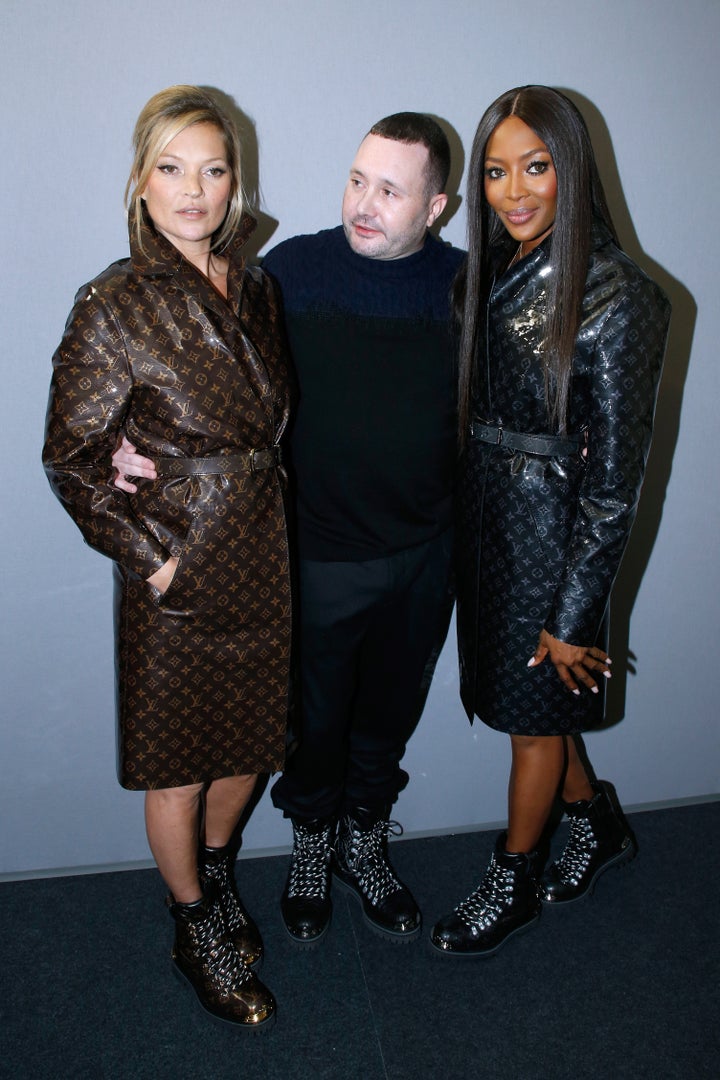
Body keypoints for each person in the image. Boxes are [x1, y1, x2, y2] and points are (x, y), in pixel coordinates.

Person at [113, 113, 465, 945]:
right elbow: (209, 374)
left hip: (425, 554)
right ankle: (312, 846)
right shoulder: (288, 273)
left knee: (387, 718)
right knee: (310, 722)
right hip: (310, 556)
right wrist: (133, 439)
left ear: (437, 205)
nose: (363, 203)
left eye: (390, 190)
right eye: (355, 180)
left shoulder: (466, 284)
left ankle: (364, 844)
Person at [43, 85, 293, 1028]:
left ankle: (218, 875)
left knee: (250, 751)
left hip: (264, 554)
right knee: (178, 767)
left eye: (214, 168)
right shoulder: (113, 303)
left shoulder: (257, 284)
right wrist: (155, 559)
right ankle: (194, 924)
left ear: (236, 182)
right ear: (141, 183)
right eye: (172, 167)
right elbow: (70, 459)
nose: (195, 189)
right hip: (180, 573)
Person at [430, 85, 671, 958]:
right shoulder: (488, 271)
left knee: (531, 722)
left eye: (536, 166)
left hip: (553, 542)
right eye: (495, 171)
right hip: (487, 527)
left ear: (573, 170)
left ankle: (513, 878)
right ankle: (594, 822)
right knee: (532, 703)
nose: (514, 191)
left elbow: (614, 485)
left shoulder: (619, 297)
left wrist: (575, 617)